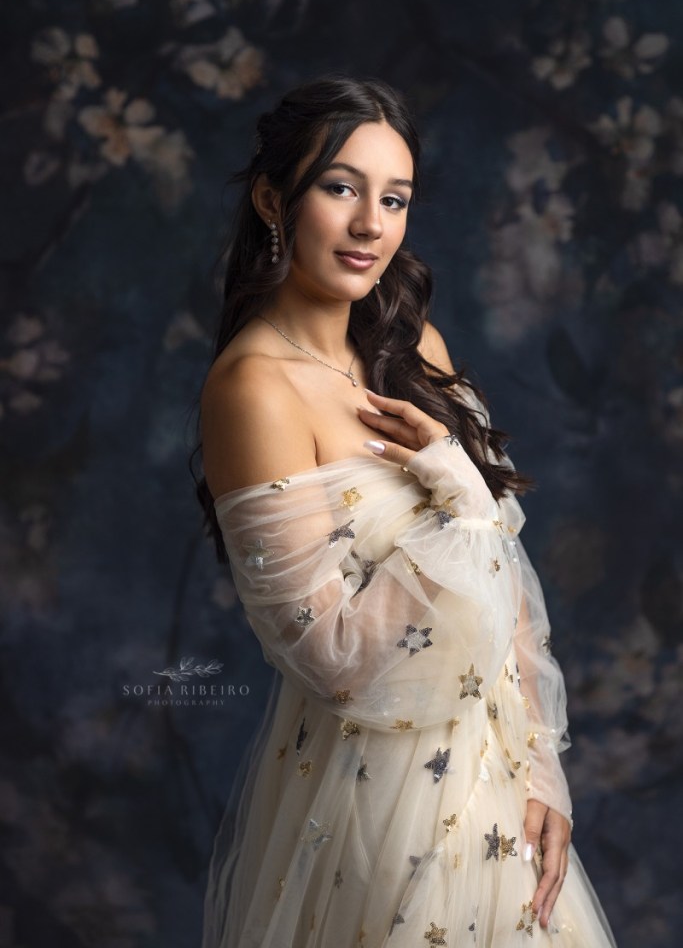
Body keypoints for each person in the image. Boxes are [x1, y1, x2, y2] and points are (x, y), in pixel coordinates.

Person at [193, 76, 617, 947]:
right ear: (273, 200)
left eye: (393, 199)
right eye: (340, 188)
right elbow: (333, 659)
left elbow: (503, 573)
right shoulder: (256, 390)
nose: (370, 226)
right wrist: (462, 509)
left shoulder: (412, 346)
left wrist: (541, 765)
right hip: (375, 800)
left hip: (497, 775)